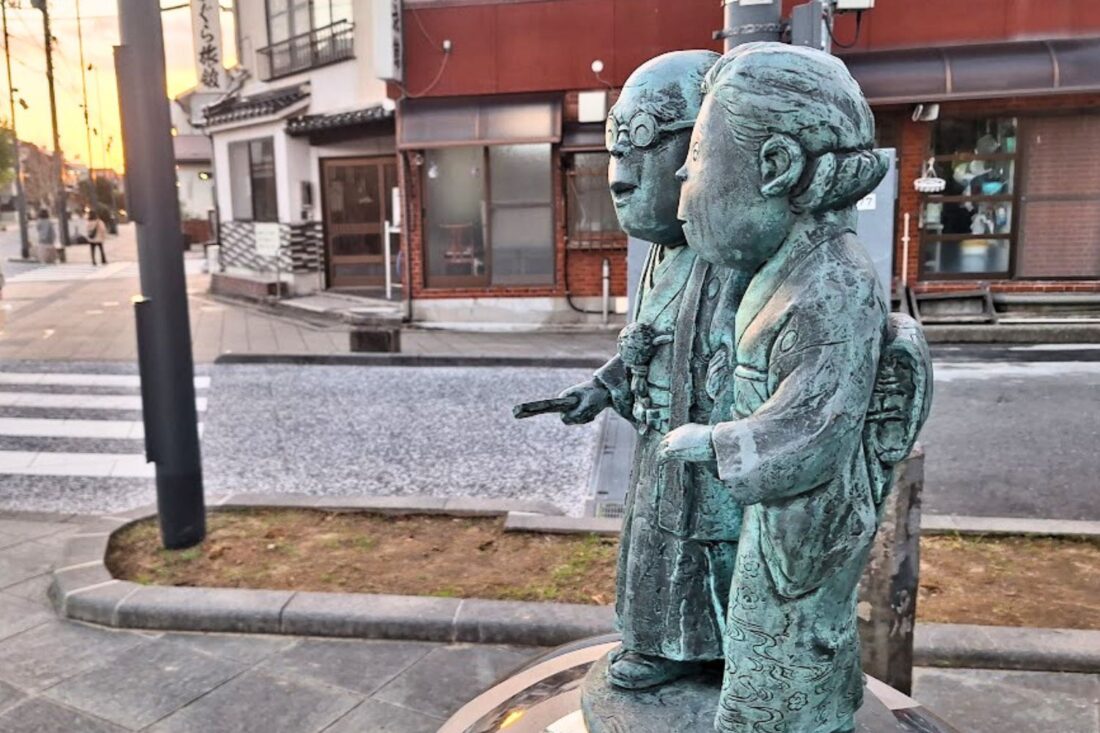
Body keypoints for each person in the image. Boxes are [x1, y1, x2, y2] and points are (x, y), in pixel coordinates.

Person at [662, 43, 930, 733]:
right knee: (794, 629)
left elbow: (813, 427)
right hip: (781, 513)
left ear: (776, 167)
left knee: (776, 629)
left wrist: (715, 442)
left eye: (694, 158)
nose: (681, 180)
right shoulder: (792, 267)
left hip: (804, 513)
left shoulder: (833, 282)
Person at [545, 50, 748, 692]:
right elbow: (652, 343)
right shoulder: (665, 250)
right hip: (659, 441)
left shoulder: (736, 251)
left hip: (716, 451)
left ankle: (723, 653)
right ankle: (665, 645)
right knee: (656, 550)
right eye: (613, 148)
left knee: (713, 552)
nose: (618, 175)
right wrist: (603, 386)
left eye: (640, 142)